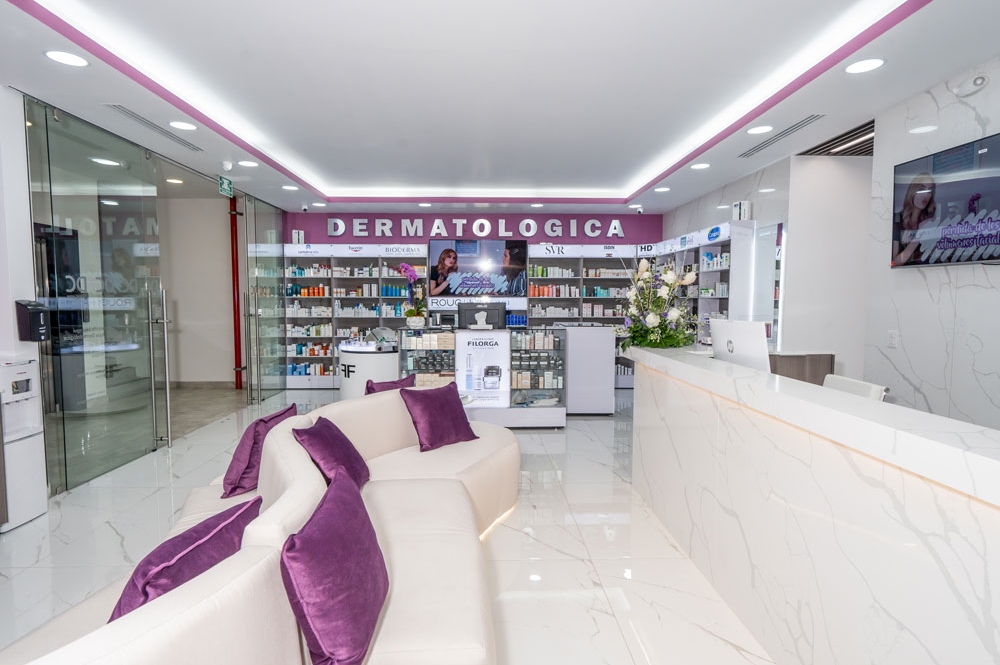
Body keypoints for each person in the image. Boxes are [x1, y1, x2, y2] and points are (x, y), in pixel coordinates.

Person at [892, 173, 936, 266]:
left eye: (930, 191)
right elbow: (894, 262)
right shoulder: (897, 220)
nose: (926, 195)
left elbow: (935, 254)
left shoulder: (927, 221)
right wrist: (919, 235)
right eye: (921, 189)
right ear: (912, 191)